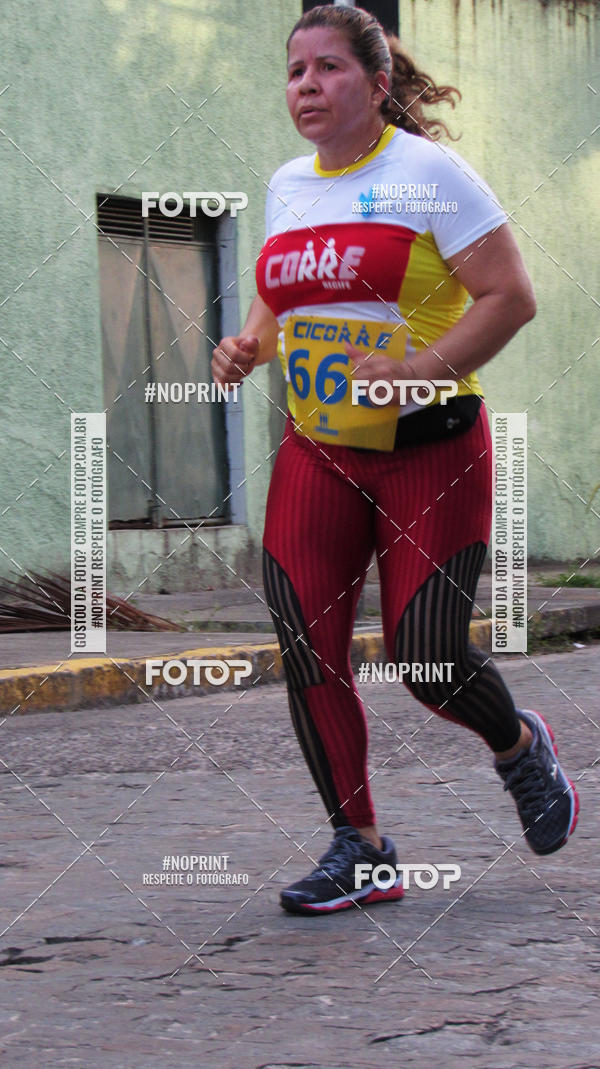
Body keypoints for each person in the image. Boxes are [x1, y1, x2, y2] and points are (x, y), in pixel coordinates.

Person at [212, 4, 579, 916]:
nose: (306, 86)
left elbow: (510, 296)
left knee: (427, 660)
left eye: (328, 68)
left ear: (377, 86)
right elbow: (282, 289)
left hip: (430, 451)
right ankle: (361, 847)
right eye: (295, 71)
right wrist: (249, 344)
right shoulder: (288, 182)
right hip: (319, 449)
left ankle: (519, 746)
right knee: (308, 645)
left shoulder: (429, 174)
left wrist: (417, 369)